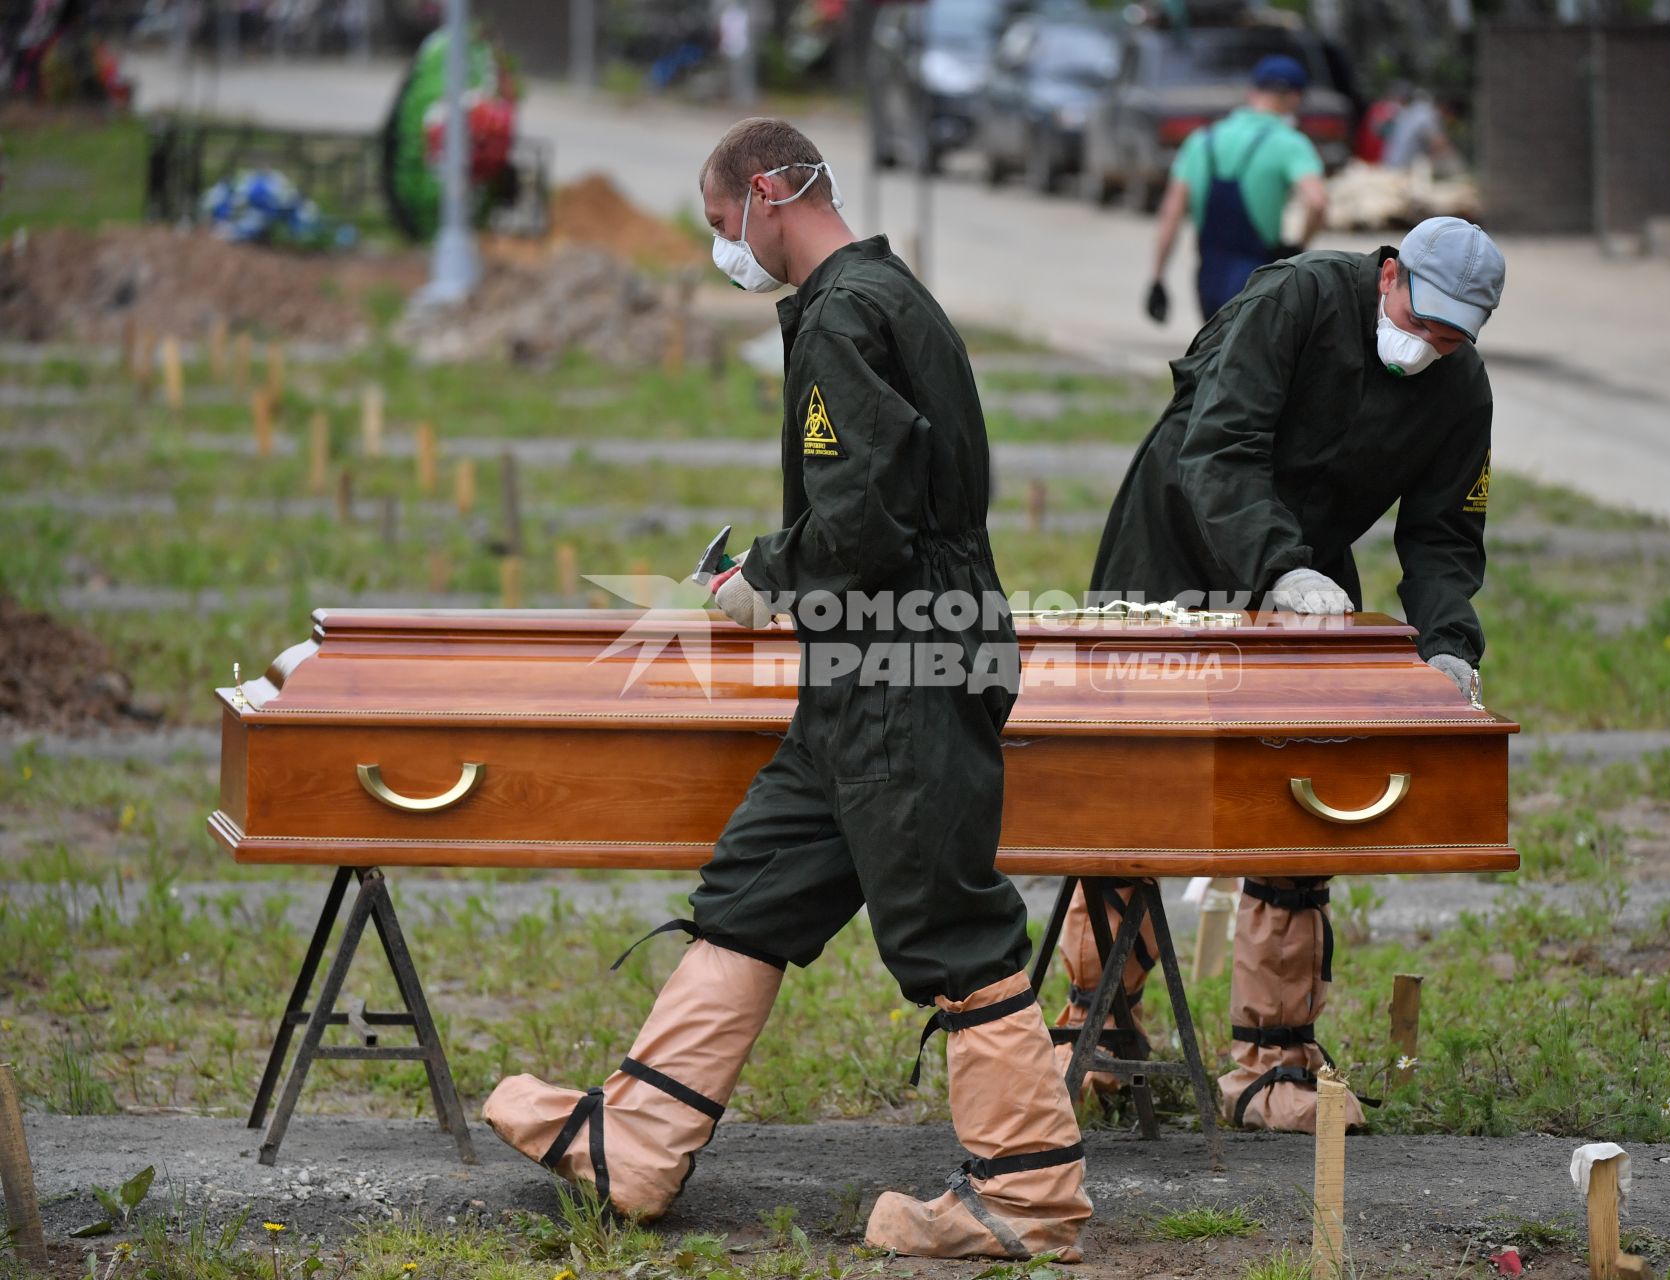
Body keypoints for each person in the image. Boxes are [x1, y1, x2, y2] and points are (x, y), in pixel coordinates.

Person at [483, 118, 1091, 1263]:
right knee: (758, 882)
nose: (729, 249)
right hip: (871, 662)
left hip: (899, 658)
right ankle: (639, 1141)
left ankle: (1028, 1194)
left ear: (767, 191)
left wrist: (771, 575)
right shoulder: (887, 295)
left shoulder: (845, 312)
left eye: (724, 225)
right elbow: (886, 485)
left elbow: (866, 513)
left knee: (949, 921)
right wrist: (778, 563)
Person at [1058, 216, 1506, 1134]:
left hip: (1304, 568)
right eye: (1421, 322)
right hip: (1172, 543)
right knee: (1134, 783)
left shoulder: (1461, 390)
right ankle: (1093, 1022)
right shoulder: (1293, 300)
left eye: (1452, 337)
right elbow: (1216, 449)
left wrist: (1449, 644)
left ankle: (1273, 1061)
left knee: (1303, 782)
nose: (1428, 348)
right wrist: (1275, 569)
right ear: (1390, 275)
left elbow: (1445, 534)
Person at [1145, 53, 1329, 327]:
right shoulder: (1289, 143)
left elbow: (1171, 212)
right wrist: (1298, 246)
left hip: (1208, 275)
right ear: (1294, 98)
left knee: (1213, 356)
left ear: (1253, 91)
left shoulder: (1201, 140)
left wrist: (1158, 277)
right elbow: (1317, 202)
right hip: (1258, 278)